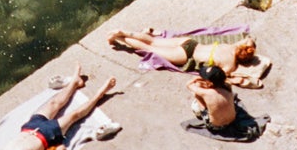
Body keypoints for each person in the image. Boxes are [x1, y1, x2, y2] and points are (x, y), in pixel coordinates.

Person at [108, 29, 261, 82]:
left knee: (154, 41)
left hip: (190, 43)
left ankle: (125, 32)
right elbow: (221, 78)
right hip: (186, 55)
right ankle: (121, 39)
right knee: (149, 48)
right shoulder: (230, 64)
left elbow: (248, 39)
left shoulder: (229, 45)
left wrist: (250, 45)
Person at [186, 64, 240, 131]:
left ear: (210, 83)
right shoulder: (227, 86)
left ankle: (199, 113)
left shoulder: (207, 93)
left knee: (197, 95)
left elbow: (188, 85)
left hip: (216, 127)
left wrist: (197, 78)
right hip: (232, 121)